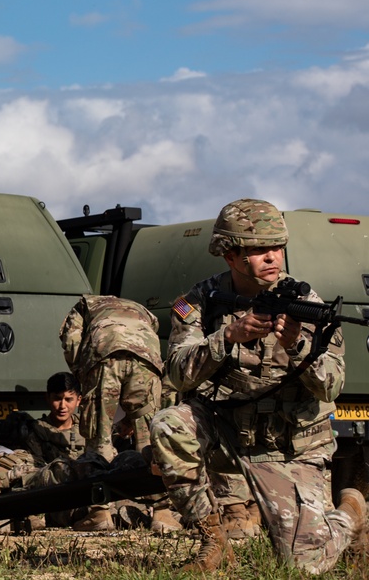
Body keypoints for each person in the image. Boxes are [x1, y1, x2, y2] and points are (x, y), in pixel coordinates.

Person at [149, 198, 365, 574]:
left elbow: (332, 387)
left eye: (278, 247)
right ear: (230, 256)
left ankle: (353, 511)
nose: (273, 257)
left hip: (289, 447)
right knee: (169, 423)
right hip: (228, 433)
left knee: (304, 566)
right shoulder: (199, 303)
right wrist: (226, 336)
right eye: (260, 250)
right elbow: (178, 374)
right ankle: (212, 541)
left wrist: (296, 346)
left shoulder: (307, 304)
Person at [59, 294, 170, 532]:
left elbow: (71, 341)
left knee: (98, 438)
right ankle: (162, 513)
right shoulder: (142, 309)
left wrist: (82, 374)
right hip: (146, 359)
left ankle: (99, 513)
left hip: (103, 358)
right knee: (150, 438)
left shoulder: (84, 306)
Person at [23, 371, 85, 465]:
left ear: (78, 400)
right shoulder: (37, 431)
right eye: (57, 399)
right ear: (48, 398)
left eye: (68, 399)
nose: (62, 406)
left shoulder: (87, 427)